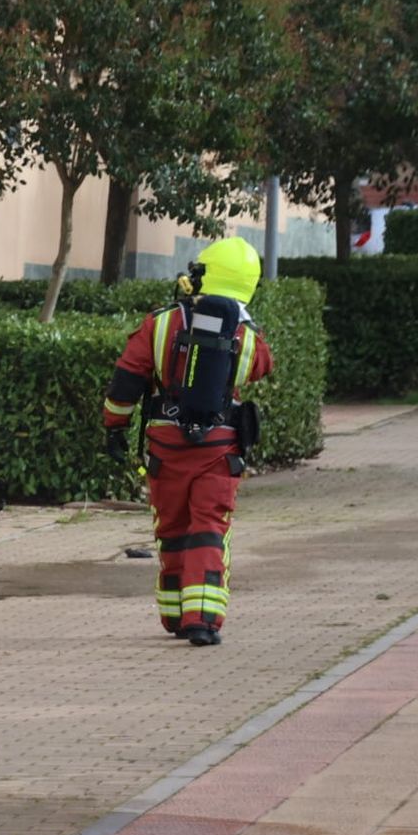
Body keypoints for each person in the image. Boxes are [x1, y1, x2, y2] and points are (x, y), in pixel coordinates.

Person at [102, 237, 273, 646]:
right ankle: (203, 618)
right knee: (209, 527)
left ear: (201, 276)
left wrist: (115, 428)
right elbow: (262, 366)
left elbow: (127, 379)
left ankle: (175, 615)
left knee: (173, 527)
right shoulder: (246, 336)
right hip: (219, 447)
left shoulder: (159, 324)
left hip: (166, 445)